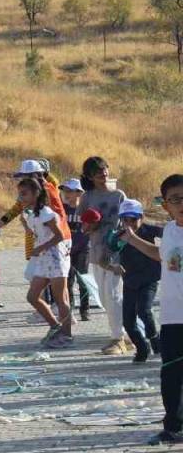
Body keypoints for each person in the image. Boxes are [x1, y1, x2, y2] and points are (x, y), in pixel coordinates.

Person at [114, 174, 183, 445]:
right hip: (173, 316)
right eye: (175, 199)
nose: (182, 204)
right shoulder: (169, 231)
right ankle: (173, 427)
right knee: (171, 374)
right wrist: (131, 240)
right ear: (165, 205)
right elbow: (162, 256)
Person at [0, 160, 71, 319]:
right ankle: (53, 315)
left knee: (55, 284)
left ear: (36, 176)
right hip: (44, 242)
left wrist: (43, 243)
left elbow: (57, 220)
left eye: (25, 177)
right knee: (40, 281)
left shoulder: (47, 191)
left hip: (56, 242)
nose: (22, 181)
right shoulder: (29, 194)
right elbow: (14, 211)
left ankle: (61, 318)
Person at [77, 156, 130, 355]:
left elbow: (129, 222)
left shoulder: (119, 195)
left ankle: (117, 340)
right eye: (97, 171)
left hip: (116, 251)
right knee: (103, 297)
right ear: (90, 176)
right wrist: (91, 224)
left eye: (104, 168)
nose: (103, 173)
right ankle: (125, 334)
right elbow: (83, 226)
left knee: (114, 294)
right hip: (97, 252)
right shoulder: (87, 197)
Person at [17, 177, 73, 348]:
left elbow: (59, 236)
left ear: (36, 193)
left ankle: (67, 334)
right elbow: (36, 233)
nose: (21, 197)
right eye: (20, 194)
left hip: (56, 257)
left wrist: (41, 248)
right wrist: (25, 225)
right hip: (43, 259)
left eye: (25, 194)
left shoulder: (46, 213)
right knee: (32, 296)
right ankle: (55, 326)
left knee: (60, 298)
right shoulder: (31, 214)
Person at [117, 199, 164, 363]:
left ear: (141, 217)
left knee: (143, 310)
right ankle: (142, 348)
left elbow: (171, 234)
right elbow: (107, 254)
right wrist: (111, 265)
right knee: (128, 321)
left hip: (149, 278)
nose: (129, 223)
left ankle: (154, 338)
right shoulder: (119, 235)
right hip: (129, 281)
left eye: (133, 219)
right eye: (125, 219)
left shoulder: (150, 230)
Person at [61, 179, 97, 321]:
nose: (67, 194)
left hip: (83, 249)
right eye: (65, 191)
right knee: (68, 280)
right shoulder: (62, 209)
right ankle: (70, 309)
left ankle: (85, 309)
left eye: (70, 191)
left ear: (79, 193)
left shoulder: (86, 209)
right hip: (66, 250)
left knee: (83, 280)